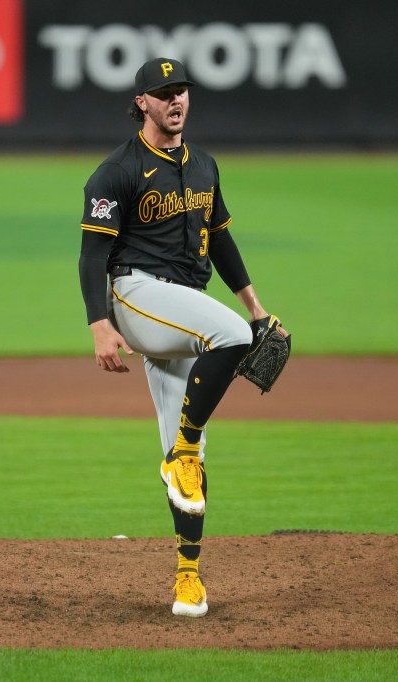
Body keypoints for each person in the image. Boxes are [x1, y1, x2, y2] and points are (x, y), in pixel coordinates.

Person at [77, 57, 286, 617]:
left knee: (187, 469)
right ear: (141, 102)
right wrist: (100, 325)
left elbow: (221, 243)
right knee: (232, 336)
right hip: (136, 296)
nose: (177, 100)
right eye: (164, 92)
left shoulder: (205, 166)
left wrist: (258, 308)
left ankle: (187, 578)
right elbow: (93, 253)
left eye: (183, 91)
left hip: (180, 314)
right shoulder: (116, 171)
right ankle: (185, 447)